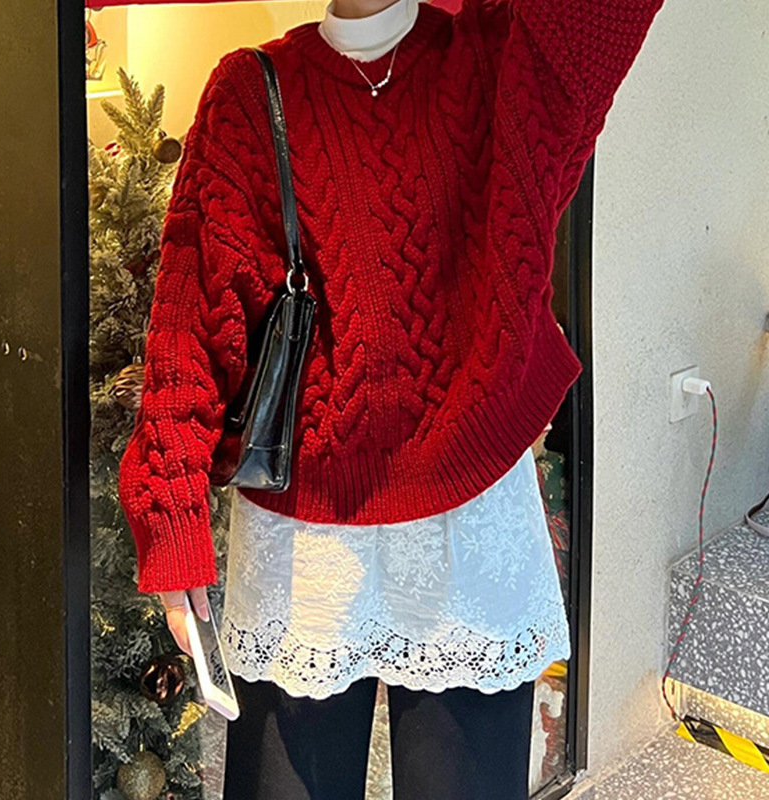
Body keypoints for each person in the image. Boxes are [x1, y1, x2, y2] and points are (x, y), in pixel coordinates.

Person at [117, 0, 665, 797]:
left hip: (471, 523)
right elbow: (191, 321)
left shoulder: (497, 59)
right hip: (306, 538)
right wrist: (170, 519)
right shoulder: (252, 90)